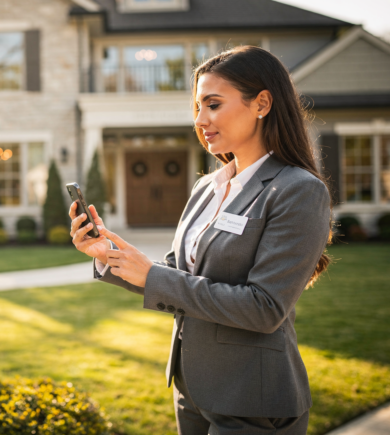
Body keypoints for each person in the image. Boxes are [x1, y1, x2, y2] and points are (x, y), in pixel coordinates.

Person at [69, 46, 333, 435]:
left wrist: (155, 276)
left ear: (261, 103)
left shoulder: (297, 190)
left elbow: (263, 308)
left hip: (251, 398)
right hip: (191, 390)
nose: (200, 119)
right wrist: (107, 255)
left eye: (213, 104)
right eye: (197, 107)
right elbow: (177, 276)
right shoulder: (206, 187)